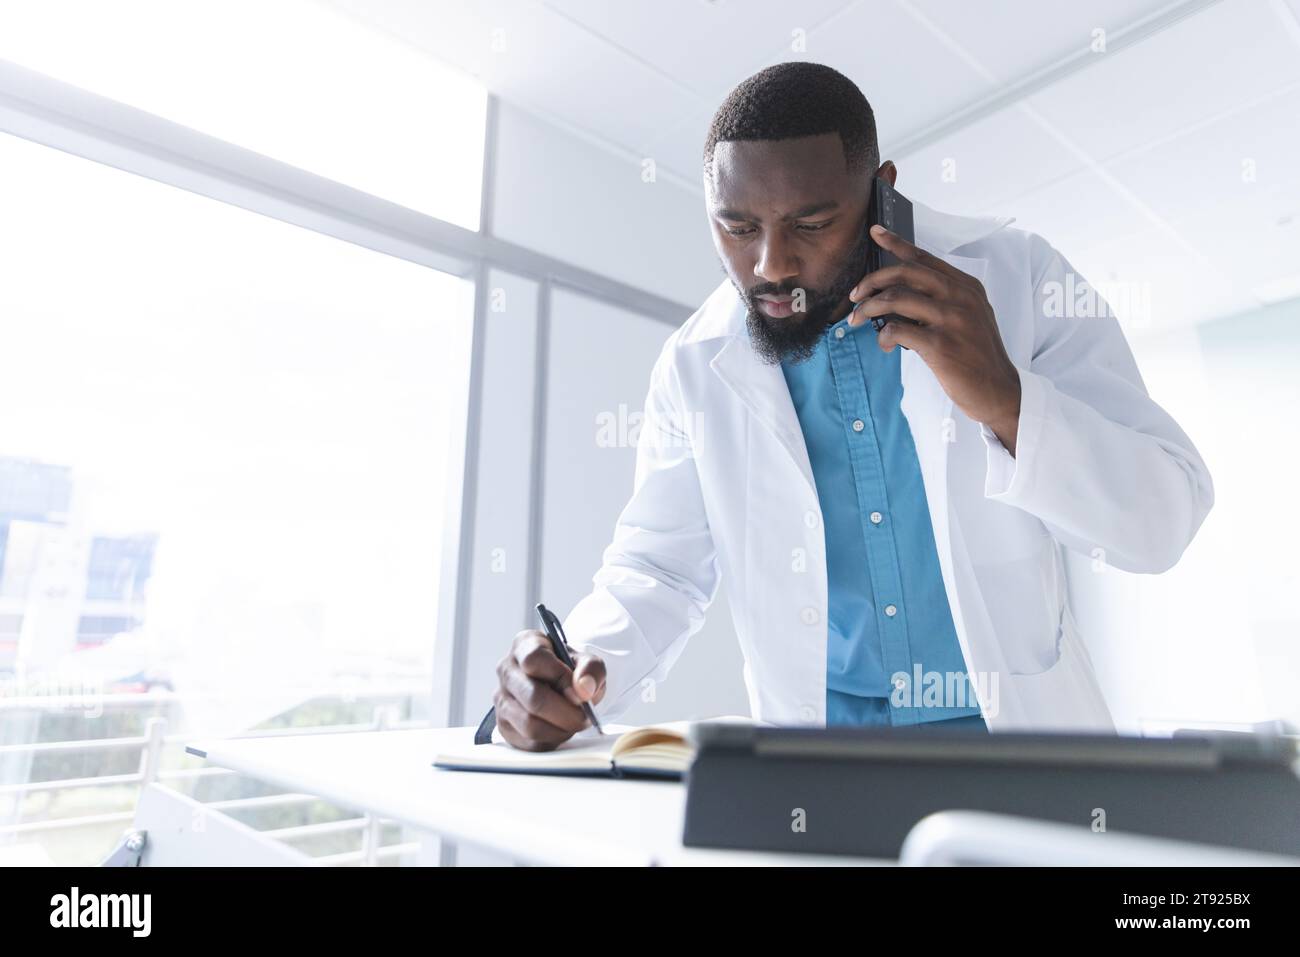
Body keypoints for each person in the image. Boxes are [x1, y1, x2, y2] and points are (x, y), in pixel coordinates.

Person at [492, 62, 1213, 751]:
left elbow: (1161, 522)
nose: (771, 264)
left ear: (880, 189)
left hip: (1015, 746)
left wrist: (1007, 398)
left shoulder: (1019, 278)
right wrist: (576, 662)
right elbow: (659, 569)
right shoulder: (693, 363)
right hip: (817, 763)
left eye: (811, 224)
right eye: (738, 228)